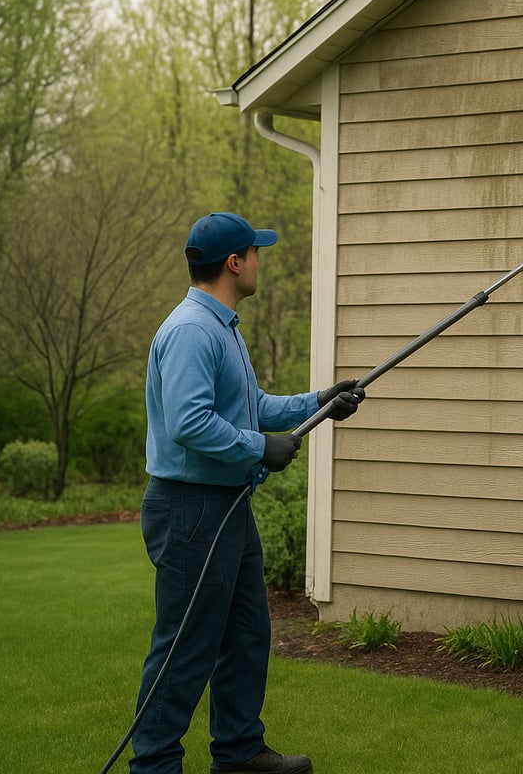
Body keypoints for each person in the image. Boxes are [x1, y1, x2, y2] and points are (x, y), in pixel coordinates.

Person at [131, 212, 363, 774]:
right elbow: (189, 422)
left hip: (225, 507)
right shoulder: (192, 330)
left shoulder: (223, 327)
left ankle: (238, 753)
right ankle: (153, 765)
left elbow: (251, 407)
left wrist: (319, 404)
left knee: (245, 634)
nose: (260, 259)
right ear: (234, 263)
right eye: (255, 252)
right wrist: (261, 448)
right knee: (185, 648)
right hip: (191, 511)